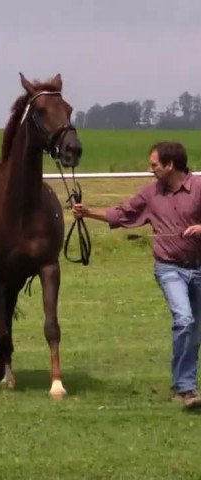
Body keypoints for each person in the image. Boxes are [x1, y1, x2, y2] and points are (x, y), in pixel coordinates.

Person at [73, 141, 201, 409]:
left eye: (154, 164)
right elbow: (122, 213)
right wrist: (88, 213)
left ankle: (182, 387)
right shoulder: (150, 195)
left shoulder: (199, 188)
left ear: (170, 165)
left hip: (198, 268)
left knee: (194, 330)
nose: (150, 169)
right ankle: (187, 388)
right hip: (169, 268)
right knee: (185, 320)